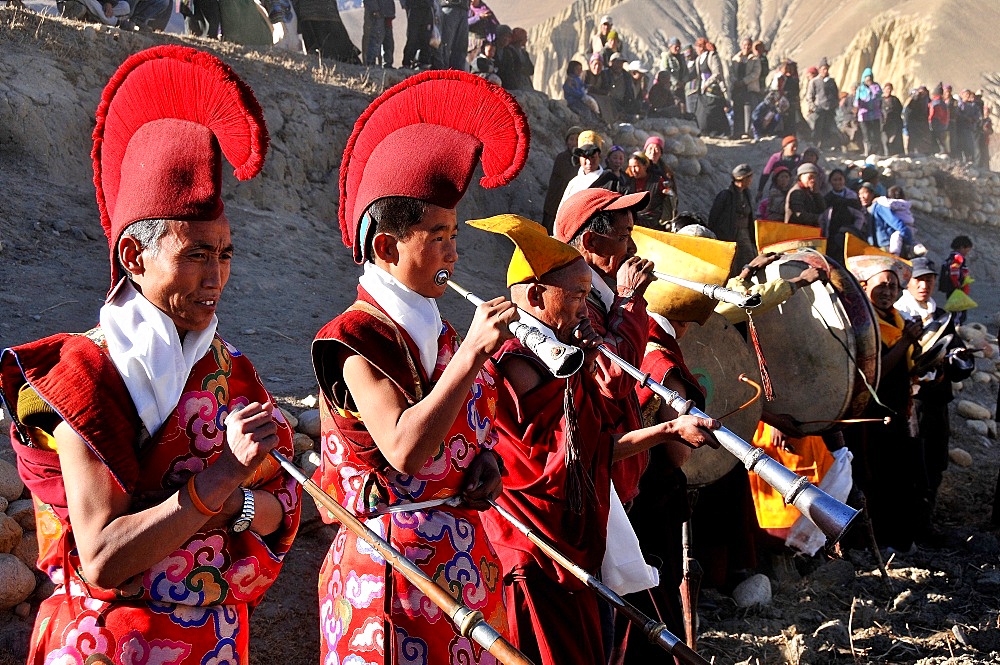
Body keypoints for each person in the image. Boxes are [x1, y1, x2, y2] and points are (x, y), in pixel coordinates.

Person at [0, 46, 302, 663]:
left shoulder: (231, 370)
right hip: (108, 644)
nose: (216, 278)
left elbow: (282, 512)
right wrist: (223, 481)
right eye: (195, 255)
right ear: (135, 260)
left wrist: (230, 505)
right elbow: (106, 557)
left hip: (214, 643)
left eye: (225, 255)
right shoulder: (84, 374)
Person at [313, 71, 530, 662]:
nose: (454, 254)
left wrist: (484, 465)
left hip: (463, 567)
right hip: (394, 581)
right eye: (437, 237)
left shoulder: (440, 328)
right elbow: (404, 449)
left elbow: (460, 431)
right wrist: (472, 355)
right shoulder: (354, 339)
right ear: (386, 248)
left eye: (454, 234)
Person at [469, 214, 714, 665]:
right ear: (538, 295)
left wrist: (668, 429)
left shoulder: (562, 352)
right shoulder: (514, 363)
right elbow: (564, 461)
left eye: (588, 294)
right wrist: (663, 430)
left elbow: (593, 447)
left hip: (582, 538)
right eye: (578, 295)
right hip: (536, 553)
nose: (586, 308)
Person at [843, 254, 924, 554]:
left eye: (893, 286)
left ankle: (896, 538)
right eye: (882, 285)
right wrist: (905, 342)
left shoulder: (898, 321)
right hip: (871, 414)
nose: (888, 291)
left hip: (896, 411)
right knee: (873, 476)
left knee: (898, 476)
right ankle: (871, 543)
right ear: (865, 287)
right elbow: (872, 372)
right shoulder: (862, 324)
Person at [895, 257, 974, 537]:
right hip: (909, 402)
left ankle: (926, 522)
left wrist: (958, 361)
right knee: (911, 459)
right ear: (908, 281)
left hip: (937, 401)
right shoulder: (897, 314)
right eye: (918, 279)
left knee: (935, 460)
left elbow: (957, 355)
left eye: (928, 279)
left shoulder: (942, 317)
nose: (923, 285)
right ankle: (907, 524)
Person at [708, 163, 756, 272]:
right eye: (749, 177)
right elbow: (714, 217)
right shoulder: (725, 195)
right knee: (731, 264)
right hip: (729, 235)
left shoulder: (747, 194)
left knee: (749, 262)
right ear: (742, 178)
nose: (751, 180)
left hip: (745, 235)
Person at [561, 130, 620, 205]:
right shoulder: (573, 184)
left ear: (599, 156)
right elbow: (563, 210)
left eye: (593, 157)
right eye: (585, 158)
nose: (589, 162)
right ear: (579, 158)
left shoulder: (611, 181)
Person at [543, 126, 584, 230]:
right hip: (554, 207)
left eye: (577, 140)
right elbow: (571, 176)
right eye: (571, 139)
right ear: (567, 142)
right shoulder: (562, 158)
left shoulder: (583, 160)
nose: (574, 143)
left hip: (569, 209)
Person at [858, 182, 914, 254]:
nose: (861, 196)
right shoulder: (866, 210)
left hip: (888, 247)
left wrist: (908, 237)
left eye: (864, 193)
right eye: (860, 194)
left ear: (872, 194)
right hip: (877, 247)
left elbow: (894, 222)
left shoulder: (879, 207)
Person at [624, 151, 674, 227]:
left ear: (645, 165)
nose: (633, 170)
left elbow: (669, 201)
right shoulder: (628, 182)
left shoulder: (657, 182)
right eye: (631, 167)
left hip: (653, 223)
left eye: (636, 166)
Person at [695, 38, 729, 137]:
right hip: (703, 89)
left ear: (701, 47)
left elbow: (717, 73)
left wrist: (707, 83)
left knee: (715, 110)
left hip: (713, 88)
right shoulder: (698, 59)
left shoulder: (712, 56)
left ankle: (719, 132)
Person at [731, 36, 762, 138]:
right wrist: (735, 81)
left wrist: (744, 81)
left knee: (748, 110)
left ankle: (748, 131)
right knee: (737, 109)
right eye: (745, 45)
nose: (746, 47)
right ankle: (737, 132)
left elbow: (756, 73)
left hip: (749, 88)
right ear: (741, 46)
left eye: (749, 45)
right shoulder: (735, 58)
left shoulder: (755, 59)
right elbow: (731, 73)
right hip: (737, 88)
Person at [806, 57, 839, 149]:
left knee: (827, 129)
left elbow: (836, 94)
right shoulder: (814, 81)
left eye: (827, 69)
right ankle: (815, 147)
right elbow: (809, 96)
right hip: (819, 109)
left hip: (830, 109)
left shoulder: (831, 81)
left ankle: (825, 147)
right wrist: (814, 107)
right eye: (824, 69)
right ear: (820, 69)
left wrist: (835, 104)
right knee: (817, 129)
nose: (825, 71)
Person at [756, 135, 800, 199]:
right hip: (777, 188)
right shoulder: (776, 158)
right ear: (785, 147)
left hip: (792, 189)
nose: (795, 148)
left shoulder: (798, 159)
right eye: (793, 146)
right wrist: (760, 190)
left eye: (796, 146)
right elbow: (766, 173)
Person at [943, 235, 974, 324]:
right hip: (956, 289)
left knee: (954, 308)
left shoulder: (951, 257)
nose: (968, 252)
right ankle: (956, 326)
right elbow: (954, 271)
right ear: (961, 247)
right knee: (958, 310)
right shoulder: (957, 258)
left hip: (951, 288)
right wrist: (958, 284)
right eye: (967, 249)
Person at [784, 162, 825, 227]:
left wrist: (816, 193)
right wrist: (819, 218)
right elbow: (799, 215)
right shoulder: (797, 192)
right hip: (795, 231)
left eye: (815, 177)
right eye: (810, 177)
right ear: (801, 176)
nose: (813, 180)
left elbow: (822, 209)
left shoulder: (809, 191)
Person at [854, 68, 884, 155]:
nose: (869, 80)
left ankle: (877, 152)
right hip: (864, 115)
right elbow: (856, 101)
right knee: (866, 135)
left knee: (876, 134)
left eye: (870, 78)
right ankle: (868, 152)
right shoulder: (860, 89)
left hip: (875, 115)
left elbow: (878, 97)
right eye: (867, 78)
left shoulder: (876, 87)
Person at [362, 0, 395, 67]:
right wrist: (374, 9)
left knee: (388, 40)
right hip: (377, 13)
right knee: (375, 38)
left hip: (387, 13)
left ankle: (387, 63)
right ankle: (371, 63)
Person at [439, 0, 470, 70]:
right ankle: (442, 73)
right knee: (445, 45)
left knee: (461, 47)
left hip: (463, 8)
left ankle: (457, 75)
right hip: (448, 6)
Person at [662, 37, 688, 113]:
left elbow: (686, 71)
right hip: (671, 87)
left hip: (682, 87)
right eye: (675, 46)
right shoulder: (667, 57)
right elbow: (665, 71)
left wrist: (683, 82)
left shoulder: (682, 58)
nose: (677, 48)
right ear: (670, 47)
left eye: (679, 46)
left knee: (683, 106)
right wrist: (675, 82)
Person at [903, 86, 932, 155]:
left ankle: (920, 152)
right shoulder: (912, 101)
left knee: (920, 139)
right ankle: (912, 152)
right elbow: (907, 112)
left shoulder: (926, 101)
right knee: (913, 139)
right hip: (913, 123)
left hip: (920, 123)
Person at [882, 82, 905, 156]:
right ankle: (886, 154)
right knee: (885, 139)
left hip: (894, 123)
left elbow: (899, 110)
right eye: (887, 89)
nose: (888, 90)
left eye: (890, 89)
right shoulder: (880, 100)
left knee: (895, 140)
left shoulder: (895, 100)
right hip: (884, 123)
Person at [929, 84, 950, 154]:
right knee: (942, 140)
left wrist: (930, 122)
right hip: (943, 124)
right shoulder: (942, 102)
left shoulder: (936, 102)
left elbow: (934, 114)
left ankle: (940, 152)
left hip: (937, 123)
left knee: (938, 140)